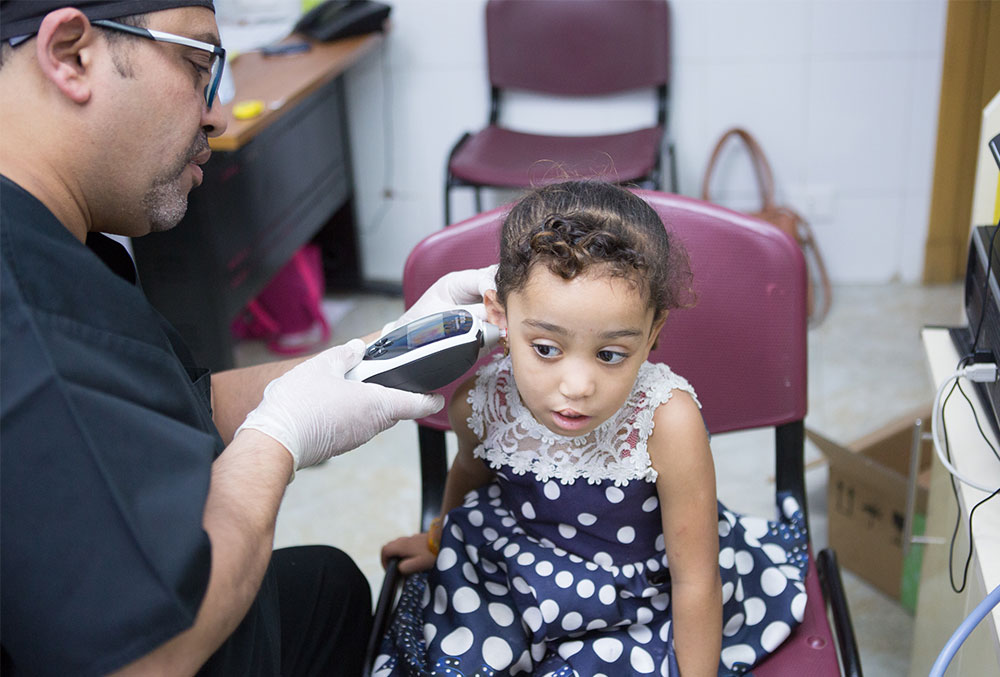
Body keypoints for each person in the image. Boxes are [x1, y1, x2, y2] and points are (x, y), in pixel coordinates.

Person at [0, 1, 494, 675]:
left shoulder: (51, 237)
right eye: (199, 63)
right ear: (72, 55)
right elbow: (149, 653)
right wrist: (279, 438)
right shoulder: (23, 313)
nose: (218, 113)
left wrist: (379, 350)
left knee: (328, 585)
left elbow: (181, 404)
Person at [373, 181, 810, 677]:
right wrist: (439, 539)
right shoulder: (480, 401)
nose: (577, 386)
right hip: (516, 572)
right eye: (545, 348)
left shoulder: (666, 421)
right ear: (500, 315)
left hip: (642, 597)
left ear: (653, 334)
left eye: (609, 354)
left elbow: (696, 582)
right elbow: (469, 470)